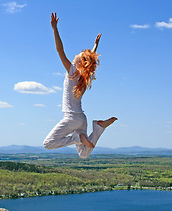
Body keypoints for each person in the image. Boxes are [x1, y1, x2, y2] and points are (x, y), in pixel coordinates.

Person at [43, 12, 117, 158]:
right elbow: (88, 61)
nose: (75, 54)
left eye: (78, 55)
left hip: (71, 118)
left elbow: (60, 50)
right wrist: (95, 47)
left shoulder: (73, 72)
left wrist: (54, 29)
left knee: (48, 143)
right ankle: (98, 128)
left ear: (80, 62)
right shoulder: (83, 77)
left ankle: (78, 138)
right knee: (83, 154)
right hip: (81, 119)